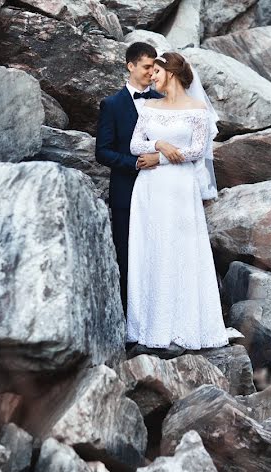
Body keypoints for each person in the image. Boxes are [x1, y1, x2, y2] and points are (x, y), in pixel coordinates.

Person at [126, 52, 229, 351]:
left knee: (179, 250)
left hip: (180, 188)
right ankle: (147, 326)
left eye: (156, 71)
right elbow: (134, 145)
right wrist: (159, 143)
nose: (151, 76)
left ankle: (184, 326)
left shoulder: (197, 110)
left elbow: (197, 150)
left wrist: (161, 158)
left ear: (170, 72)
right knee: (151, 249)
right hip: (150, 187)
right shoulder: (147, 107)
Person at [95, 42, 168, 322]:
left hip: (161, 190)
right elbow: (102, 151)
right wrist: (135, 163)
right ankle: (129, 323)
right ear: (131, 66)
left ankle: (157, 318)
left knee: (157, 254)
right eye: (147, 66)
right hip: (126, 192)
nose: (152, 72)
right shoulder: (112, 105)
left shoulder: (163, 101)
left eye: (154, 67)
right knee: (127, 257)